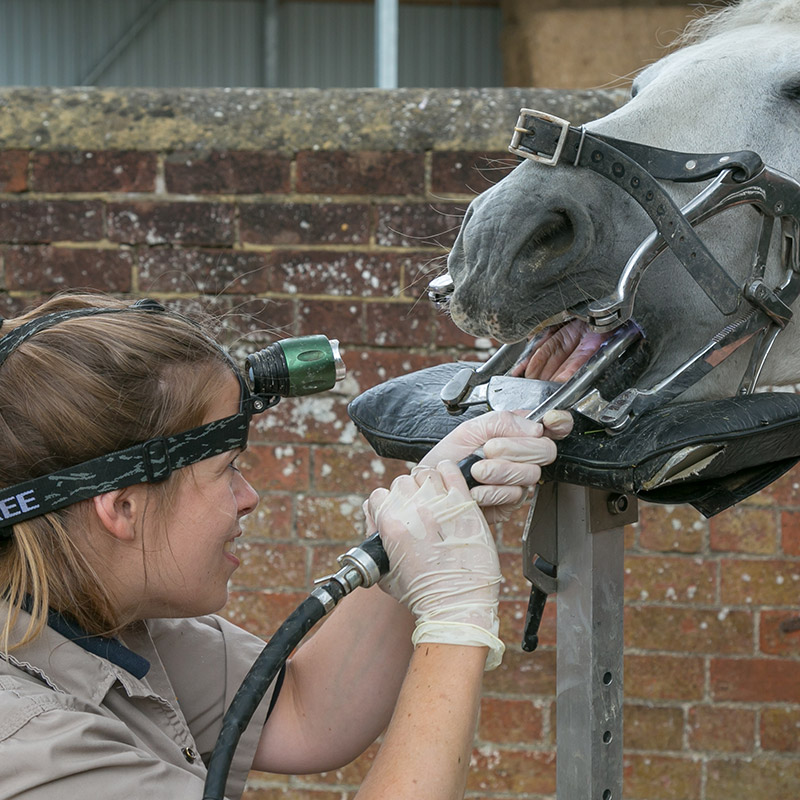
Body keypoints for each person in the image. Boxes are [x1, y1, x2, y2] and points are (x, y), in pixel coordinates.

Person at [0, 292, 572, 800]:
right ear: (123, 507)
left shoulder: (85, 617)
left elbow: (306, 712)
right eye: (227, 469)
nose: (247, 497)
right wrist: (455, 623)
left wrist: (432, 506)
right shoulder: (28, 747)